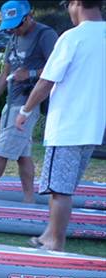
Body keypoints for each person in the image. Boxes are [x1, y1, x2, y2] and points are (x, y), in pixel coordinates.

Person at [15, 0, 105, 251]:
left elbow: (46, 81)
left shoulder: (72, 37)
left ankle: (55, 242)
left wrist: (25, 111)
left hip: (68, 126)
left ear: (76, 3)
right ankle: (48, 235)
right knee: (65, 186)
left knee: (60, 190)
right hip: (93, 127)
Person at [0, 1, 57, 202]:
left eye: (16, 26)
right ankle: (29, 200)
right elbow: (4, 74)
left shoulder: (45, 35)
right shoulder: (13, 38)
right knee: (22, 156)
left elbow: (57, 68)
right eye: (9, 27)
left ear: (28, 17)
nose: (13, 30)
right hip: (11, 103)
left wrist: (30, 73)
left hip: (27, 105)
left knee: (0, 154)